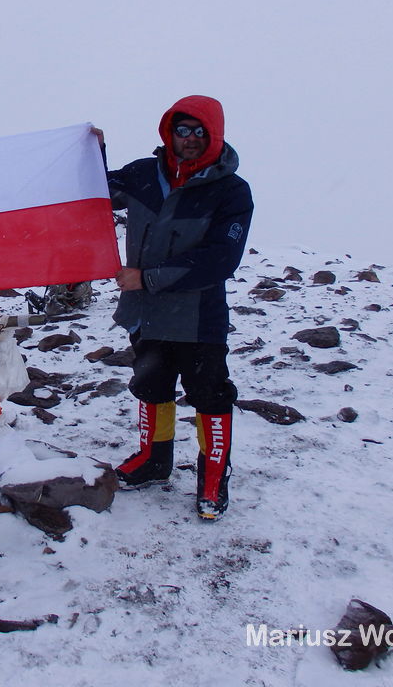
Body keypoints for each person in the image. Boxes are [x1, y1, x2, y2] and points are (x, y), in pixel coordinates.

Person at [95, 95, 253, 520]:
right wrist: (94, 153)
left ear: (214, 134)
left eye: (201, 131)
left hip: (199, 317)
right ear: (170, 131)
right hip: (146, 314)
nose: (191, 138)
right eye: (183, 130)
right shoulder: (144, 175)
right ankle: (153, 460)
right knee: (151, 386)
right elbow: (94, 194)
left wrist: (147, 278)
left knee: (209, 394)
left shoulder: (231, 191)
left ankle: (213, 476)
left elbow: (221, 259)